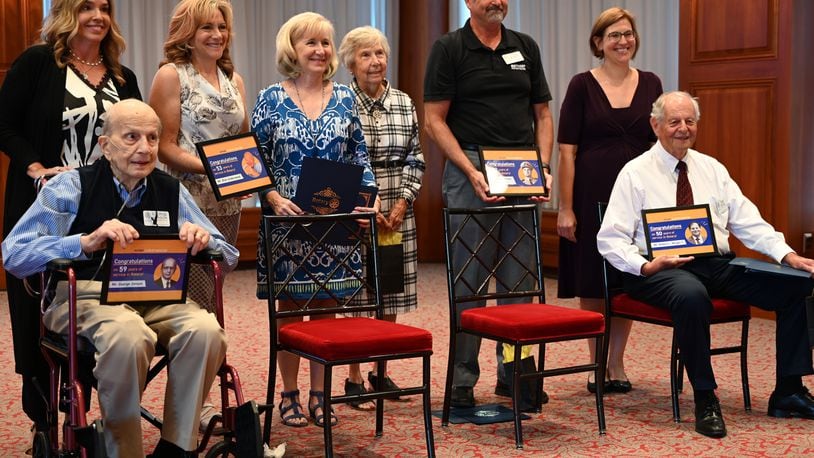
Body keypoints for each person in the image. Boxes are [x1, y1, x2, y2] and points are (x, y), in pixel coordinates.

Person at [1, 99, 238, 457]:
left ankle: (177, 447)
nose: (144, 148)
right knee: (129, 335)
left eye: (152, 138)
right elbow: (14, 253)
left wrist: (201, 238)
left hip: (157, 294)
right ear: (105, 145)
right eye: (131, 137)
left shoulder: (171, 190)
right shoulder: (70, 187)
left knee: (205, 332)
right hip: (86, 294)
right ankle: (122, 451)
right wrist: (84, 241)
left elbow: (228, 255)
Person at [597, 91, 814, 439]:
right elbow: (610, 239)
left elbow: (747, 221)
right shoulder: (635, 173)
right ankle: (704, 397)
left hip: (714, 263)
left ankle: (789, 390)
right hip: (659, 270)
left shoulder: (712, 168)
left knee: (797, 285)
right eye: (674, 122)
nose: (683, 129)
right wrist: (644, 266)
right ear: (656, 126)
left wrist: (787, 255)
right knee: (691, 295)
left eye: (690, 121)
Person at [0, 0, 141, 435]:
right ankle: (43, 421)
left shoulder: (123, 76)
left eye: (104, 7)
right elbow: (4, 123)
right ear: (66, 12)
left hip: (107, 209)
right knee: (39, 308)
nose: (97, 15)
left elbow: (138, 139)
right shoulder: (39, 62)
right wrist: (34, 166)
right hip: (47, 207)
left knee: (103, 303)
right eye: (86, 6)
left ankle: (97, 418)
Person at [423, 0, 553, 409]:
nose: (495, 1)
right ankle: (462, 380)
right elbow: (434, 119)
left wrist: (544, 168)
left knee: (520, 281)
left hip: (521, 169)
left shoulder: (525, 46)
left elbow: (544, 115)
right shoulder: (450, 48)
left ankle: (514, 372)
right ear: (468, 2)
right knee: (470, 281)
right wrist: (468, 168)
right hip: (471, 167)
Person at [252, 11, 378, 428]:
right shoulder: (270, 98)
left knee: (327, 312)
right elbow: (254, 161)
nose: (321, 50)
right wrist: (271, 197)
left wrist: (368, 201)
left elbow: (360, 158)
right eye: (311, 43)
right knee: (289, 311)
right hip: (288, 227)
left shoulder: (345, 98)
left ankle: (320, 395)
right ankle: (288, 395)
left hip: (337, 226)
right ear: (292, 48)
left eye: (325, 43)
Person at [148, 0, 249, 434]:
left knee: (215, 297)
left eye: (221, 27)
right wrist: (208, 167)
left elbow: (240, 143)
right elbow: (162, 146)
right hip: (186, 202)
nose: (216, 35)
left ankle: (203, 393)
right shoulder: (172, 75)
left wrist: (243, 169)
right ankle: (197, 403)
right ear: (187, 32)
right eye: (206, 27)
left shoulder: (234, 79)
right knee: (189, 302)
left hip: (228, 204)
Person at [556, 6, 663, 395]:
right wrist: (565, 207)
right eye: (614, 35)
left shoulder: (652, 83)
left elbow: (662, 143)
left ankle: (616, 361)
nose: (623, 41)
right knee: (594, 279)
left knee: (628, 276)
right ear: (598, 43)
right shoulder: (582, 84)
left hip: (641, 197)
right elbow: (566, 151)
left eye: (628, 34)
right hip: (591, 195)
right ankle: (596, 361)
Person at [338, 25, 425, 410]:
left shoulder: (404, 102)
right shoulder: (340, 102)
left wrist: (403, 202)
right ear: (350, 64)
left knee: (390, 292)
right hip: (357, 212)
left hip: (396, 210)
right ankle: (354, 377)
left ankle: (380, 370)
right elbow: (338, 162)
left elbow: (416, 158)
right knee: (358, 296)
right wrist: (364, 206)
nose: (375, 62)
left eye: (380, 54)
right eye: (366, 55)